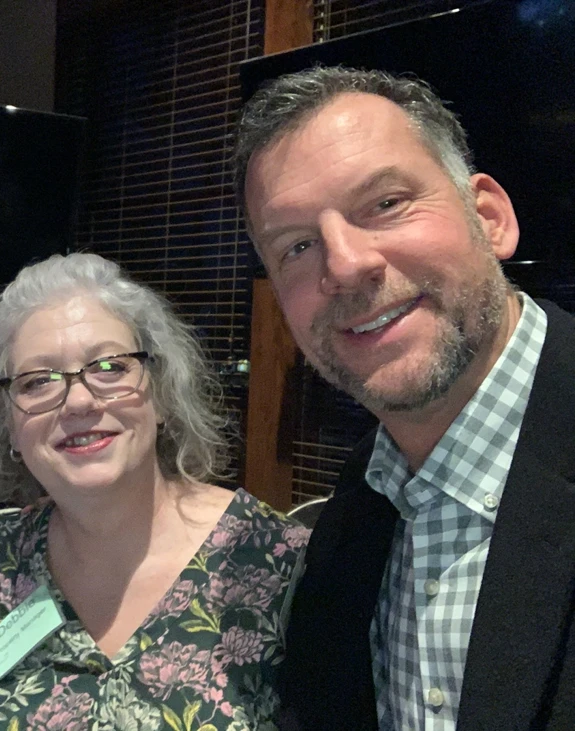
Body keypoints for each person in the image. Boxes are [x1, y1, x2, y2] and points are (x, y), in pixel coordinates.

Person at [233, 66, 575, 730]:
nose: (343, 265)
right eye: (296, 245)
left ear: (490, 218)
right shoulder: (354, 510)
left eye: (385, 203)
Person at [0, 252, 309, 731]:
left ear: (161, 394)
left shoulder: (279, 566)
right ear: (9, 425)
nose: (78, 400)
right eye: (38, 381)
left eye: (110, 367)